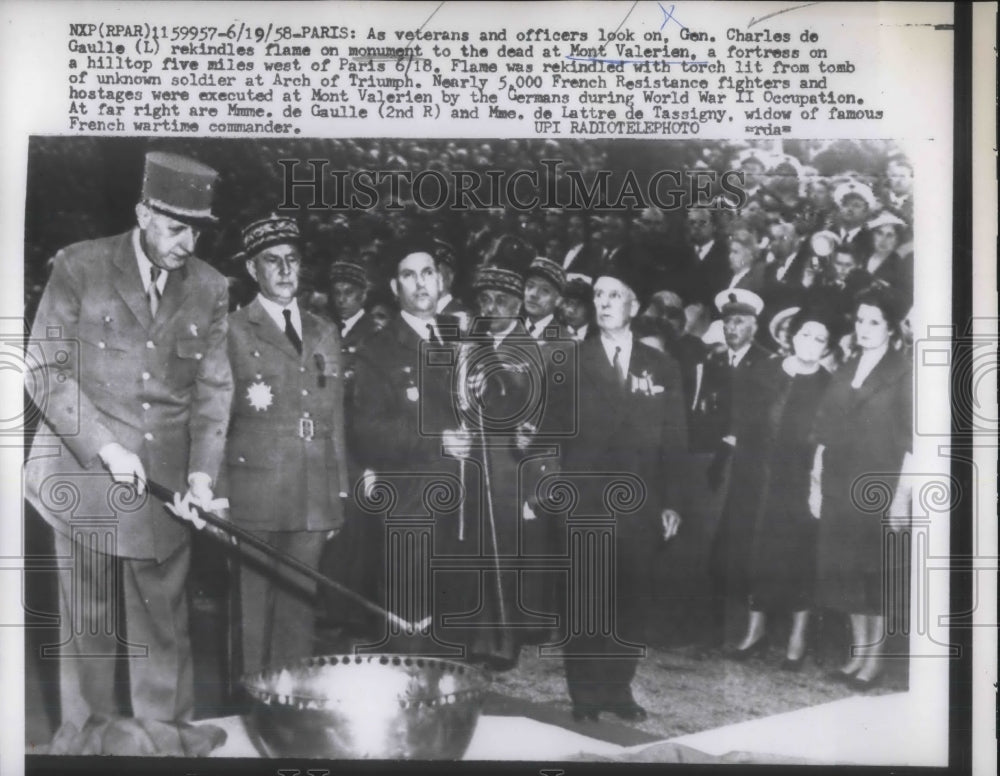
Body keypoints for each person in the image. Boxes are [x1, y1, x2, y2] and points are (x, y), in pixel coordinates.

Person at [24, 151, 233, 726]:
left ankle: (162, 745)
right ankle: (85, 744)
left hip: (164, 486)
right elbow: (45, 368)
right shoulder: (79, 266)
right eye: (174, 227)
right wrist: (108, 447)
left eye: (197, 229)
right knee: (88, 630)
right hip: (82, 473)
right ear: (143, 213)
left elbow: (213, 392)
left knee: (162, 627)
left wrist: (200, 477)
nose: (187, 243)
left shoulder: (211, 288)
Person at [215, 214, 349, 675]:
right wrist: (217, 492)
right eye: (273, 261)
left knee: (298, 604)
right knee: (252, 610)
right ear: (253, 270)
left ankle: (288, 706)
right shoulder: (232, 329)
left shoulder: (322, 329)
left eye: (292, 260)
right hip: (255, 490)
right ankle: (251, 712)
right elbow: (214, 416)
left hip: (312, 491)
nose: (286, 270)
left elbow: (336, 414)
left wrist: (339, 490)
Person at [558, 261, 686, 722]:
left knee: (632, 599)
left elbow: (676, 438)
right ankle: (586, 695)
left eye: (615, 295)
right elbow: (550, 434)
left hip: (640, 503)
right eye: (599, 296)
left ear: (633, 305)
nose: (604, 303)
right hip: (585, 500)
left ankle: (618, 689)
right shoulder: (571, 360)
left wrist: (671, 501)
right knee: (586, 600)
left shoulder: (663, 366)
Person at [345, 241, 465, 652]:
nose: (420, 283)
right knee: (408, 619)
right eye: (409, 275)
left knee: (450, 626)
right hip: (410, 501)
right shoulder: (378, 350)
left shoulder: (459, 342)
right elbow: (368, 432)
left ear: (441, 280)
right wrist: (437, 438)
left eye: (427, 272)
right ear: (395, 287)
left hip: (463, 503)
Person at [810, 286, 912, 690]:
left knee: (874, 577)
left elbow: (910, 441)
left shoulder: (904, 370)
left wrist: (901, 497)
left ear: (890, 328)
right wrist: (815, 483)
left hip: (878, 486)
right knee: (845, 574)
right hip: (839, 484)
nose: (865, 328)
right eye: (860, 320)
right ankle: (857, 654)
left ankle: (875, 662)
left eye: (874, 322)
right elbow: (823, 429)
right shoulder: (846, 366)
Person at [725, 308, 836, 668]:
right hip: (758, 477)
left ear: (826, 347)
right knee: (756, 553)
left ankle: (796, 639)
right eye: (806, 334)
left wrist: (816, 485)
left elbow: (826, 440)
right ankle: (755, 632)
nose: (811, 343)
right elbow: (745, 422)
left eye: (820, 339)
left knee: (796, 558)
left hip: (799, 483)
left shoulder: (827, 384)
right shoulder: (765, 372)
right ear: (791, 336)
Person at [522, 256, 567, 340]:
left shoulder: (568, 343)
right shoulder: (507, 330)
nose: (533, 294)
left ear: (558, 300)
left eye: (545, 290)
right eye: (530, 286)